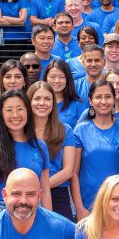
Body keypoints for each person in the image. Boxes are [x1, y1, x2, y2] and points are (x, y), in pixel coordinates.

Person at [0, 90, 52, 225]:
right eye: (9, 110)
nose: (15, 115)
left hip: (33, 212)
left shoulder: (40, 146)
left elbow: (45, 191)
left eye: (20, 109)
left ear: (28, 112)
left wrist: (48, 224)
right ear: (1, 114)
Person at [73, 79, 119, 219]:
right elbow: (73, 173)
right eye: (98, 97)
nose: (104, 101)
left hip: (118, 205)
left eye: (108, 96)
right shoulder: (80, 130)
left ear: (114, 99)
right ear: (90, 100)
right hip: (88, 205)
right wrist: (79, 208)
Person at [28, 82, 76, 220]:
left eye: (47, 99)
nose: (42, 103)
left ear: (53, 103)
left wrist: (41, 187)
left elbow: (68, 170)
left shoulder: (65, 131)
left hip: (58, 193)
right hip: (26, 195)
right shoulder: (21, 131)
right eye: (37, 98)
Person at [43, 59, 86, 128]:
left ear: (68, 79)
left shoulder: (77, 103)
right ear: (46, 78)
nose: (57, 81)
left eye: (62, 77)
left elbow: (82, 130)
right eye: (53, 77)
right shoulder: (40, 102)